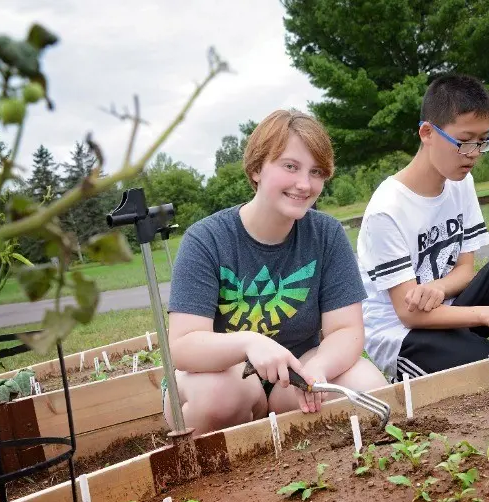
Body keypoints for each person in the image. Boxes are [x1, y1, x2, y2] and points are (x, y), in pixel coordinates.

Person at [163, 108, 388, 436]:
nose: (304, 184)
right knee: (221, 397)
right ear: (256, 169)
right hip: (218, 375)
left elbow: (346, 330)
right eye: (290, 167)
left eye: (316, 172)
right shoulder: (207, 239)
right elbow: (183, 346)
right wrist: (249, 343)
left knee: (368, 386)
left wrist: (318, 370)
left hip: (296, 374)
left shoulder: (325, 234)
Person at [356, 74, 489, 382]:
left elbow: (465, 270)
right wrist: (488, 313)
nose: (473, 153)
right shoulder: (386, 211)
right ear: (428, 133)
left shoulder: (460, 182)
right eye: (464, 141)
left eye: (483, 141)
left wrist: (438, 288)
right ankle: (458, 360)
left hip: (452, 311)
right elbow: (408, 313)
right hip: (406, 333)